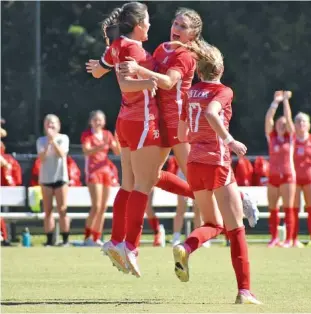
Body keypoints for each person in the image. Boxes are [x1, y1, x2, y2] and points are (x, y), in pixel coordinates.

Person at [118, 7, 259, 231]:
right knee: (151, 177)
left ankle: (238, 200)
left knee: (197, 182)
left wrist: (138, 70)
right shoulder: (162, 48)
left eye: (183, 27)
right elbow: (148, 72)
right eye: (175, 24)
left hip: (179, 125)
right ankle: (237, 200)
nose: (176, 28)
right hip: (158, 121)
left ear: (193, 34)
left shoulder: (186, 55)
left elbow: (167, 82)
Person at [86, 2, 195, 277]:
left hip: (125, 121)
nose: (150, 25)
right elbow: (126, 84)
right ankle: (129, 247)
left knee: (130, 183)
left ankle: (114, 241)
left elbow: (98, 72)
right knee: (143, 186)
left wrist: (99, 67)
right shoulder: (133, 48)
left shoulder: (118, 45)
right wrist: (149, 82)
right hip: (143, 121)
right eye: (146, 21)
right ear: (137, 25)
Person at [173, 42, 261, 304]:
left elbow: (181, 135)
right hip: (217, 162)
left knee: (212, 224)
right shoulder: (223, 91)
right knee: (236, 229)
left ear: (199, 72)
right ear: (220, 67)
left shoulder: (190, 93)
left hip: (194, 163)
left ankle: (185, 246)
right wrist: (229, 140)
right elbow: (212, 112)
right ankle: (244, 291)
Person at [81, 110, 121, 246]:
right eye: (95, 120)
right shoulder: (87, 135)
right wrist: (101, 146)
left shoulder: (107, 134)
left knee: (103, 207)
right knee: (96, 206)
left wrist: (117, 140)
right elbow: (86, 151)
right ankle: (87, 237)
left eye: (100, 120)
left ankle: (96, 237)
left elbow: (117, 151)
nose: (98, 122)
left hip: (106, 172)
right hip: (93, 172)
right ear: (91, 121)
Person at [265, 91, 296, 248]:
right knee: (273, 208)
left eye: (284, 125)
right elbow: (269, 119)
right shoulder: (271, 137)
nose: (282, 126)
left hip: (288, 176)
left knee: (288, 208)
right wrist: (275, 102)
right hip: (273, 176)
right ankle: (274, 238)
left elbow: (289, 119)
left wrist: (285, 101)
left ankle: (289, 239)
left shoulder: (290, 138)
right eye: (280, 123)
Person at [36, 114, 70, 247]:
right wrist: (48, 142)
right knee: (48, 210)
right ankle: (49, 240)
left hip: (61, 178)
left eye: (53, 123)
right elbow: (42, 158)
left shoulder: (63, 138)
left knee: (62, 210)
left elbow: (62, 154)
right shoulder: (41, 140)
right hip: (46, 179)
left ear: (58, 125)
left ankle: (65, 240)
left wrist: (53, 141)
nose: (51, 125)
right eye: (48, 123)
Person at [292, 112, 311, 248]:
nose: (301, 124)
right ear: (294, 124)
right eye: (298, 121)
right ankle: (293, 239)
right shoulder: (291, 140)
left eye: (304, 121)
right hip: (294, 179)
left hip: (310, 178)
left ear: (309, 125)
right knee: (293, 210)